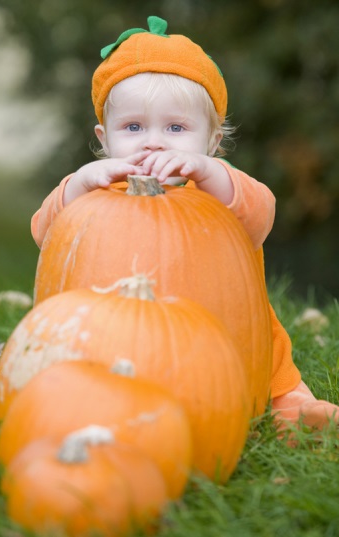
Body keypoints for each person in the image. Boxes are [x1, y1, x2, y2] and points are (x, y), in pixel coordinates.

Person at [31, 16, 339, 433]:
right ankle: (16, 389)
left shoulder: (217, 193)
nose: (153, 141)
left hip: (224, 349)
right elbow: (47, 238)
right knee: (62, 384)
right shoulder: (97, 194)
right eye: (133, 127)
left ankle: (292, 412)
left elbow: (261, 214)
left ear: (211, 142)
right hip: (114, 349)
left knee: (272, 386)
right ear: (104, 139)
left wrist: (209, 172)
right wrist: (76, 187)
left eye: (176, 128)